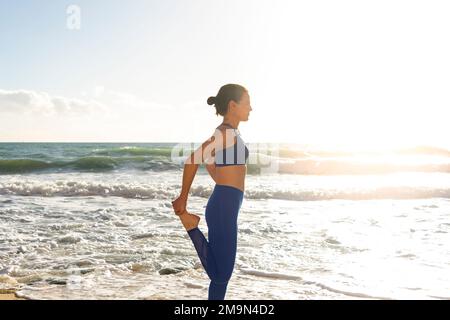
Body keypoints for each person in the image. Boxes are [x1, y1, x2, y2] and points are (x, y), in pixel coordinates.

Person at [171, 83, 252, 300]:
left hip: (226, 203)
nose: (251, 108)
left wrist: (213, 167)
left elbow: (223, 176)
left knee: (220, 275)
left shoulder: (232, 133)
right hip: (223, 206)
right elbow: (192, 160)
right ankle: (191, 226)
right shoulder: (224, 133)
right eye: (247, 103)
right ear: (233, 105)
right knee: (221, 274)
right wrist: (183, 198)